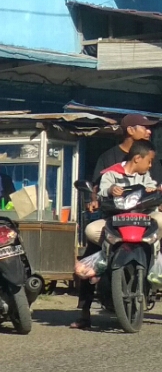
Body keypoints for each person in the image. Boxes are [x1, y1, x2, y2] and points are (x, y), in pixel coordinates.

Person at [74, 139, 162, 330]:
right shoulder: (111, 173)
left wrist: (152, 190)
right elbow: (102, 190)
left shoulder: (145, 175)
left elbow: (153, 187)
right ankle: (85, 308)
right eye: (149, 161)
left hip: (143, 220)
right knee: (91, 234)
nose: (150, 165)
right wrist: (110, 190)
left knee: (161, 219)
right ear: (137, 158)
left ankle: (156, 260)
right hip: (116, 221)